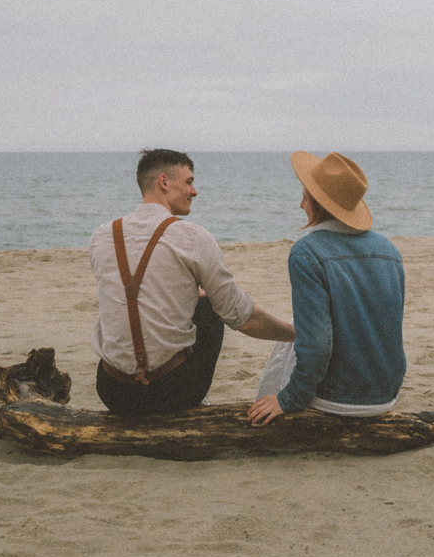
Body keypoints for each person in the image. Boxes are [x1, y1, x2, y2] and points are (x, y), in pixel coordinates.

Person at [90, 148, 294, 416]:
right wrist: (295, 335)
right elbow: (244, 319)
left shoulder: (102, 235)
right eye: (188, 181)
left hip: (113, 392)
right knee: (210, 306)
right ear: (164, 182)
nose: (194, 191)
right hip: (172, 393)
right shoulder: (193, 237)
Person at [247, 151, 406, 425]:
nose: (300, 205)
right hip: (386, 393)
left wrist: (289, 399)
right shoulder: (388, 249)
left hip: (339, 399)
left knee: (299, 327)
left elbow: (317, 345)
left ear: (319, 204)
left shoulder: (306, 253)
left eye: (305, 198)